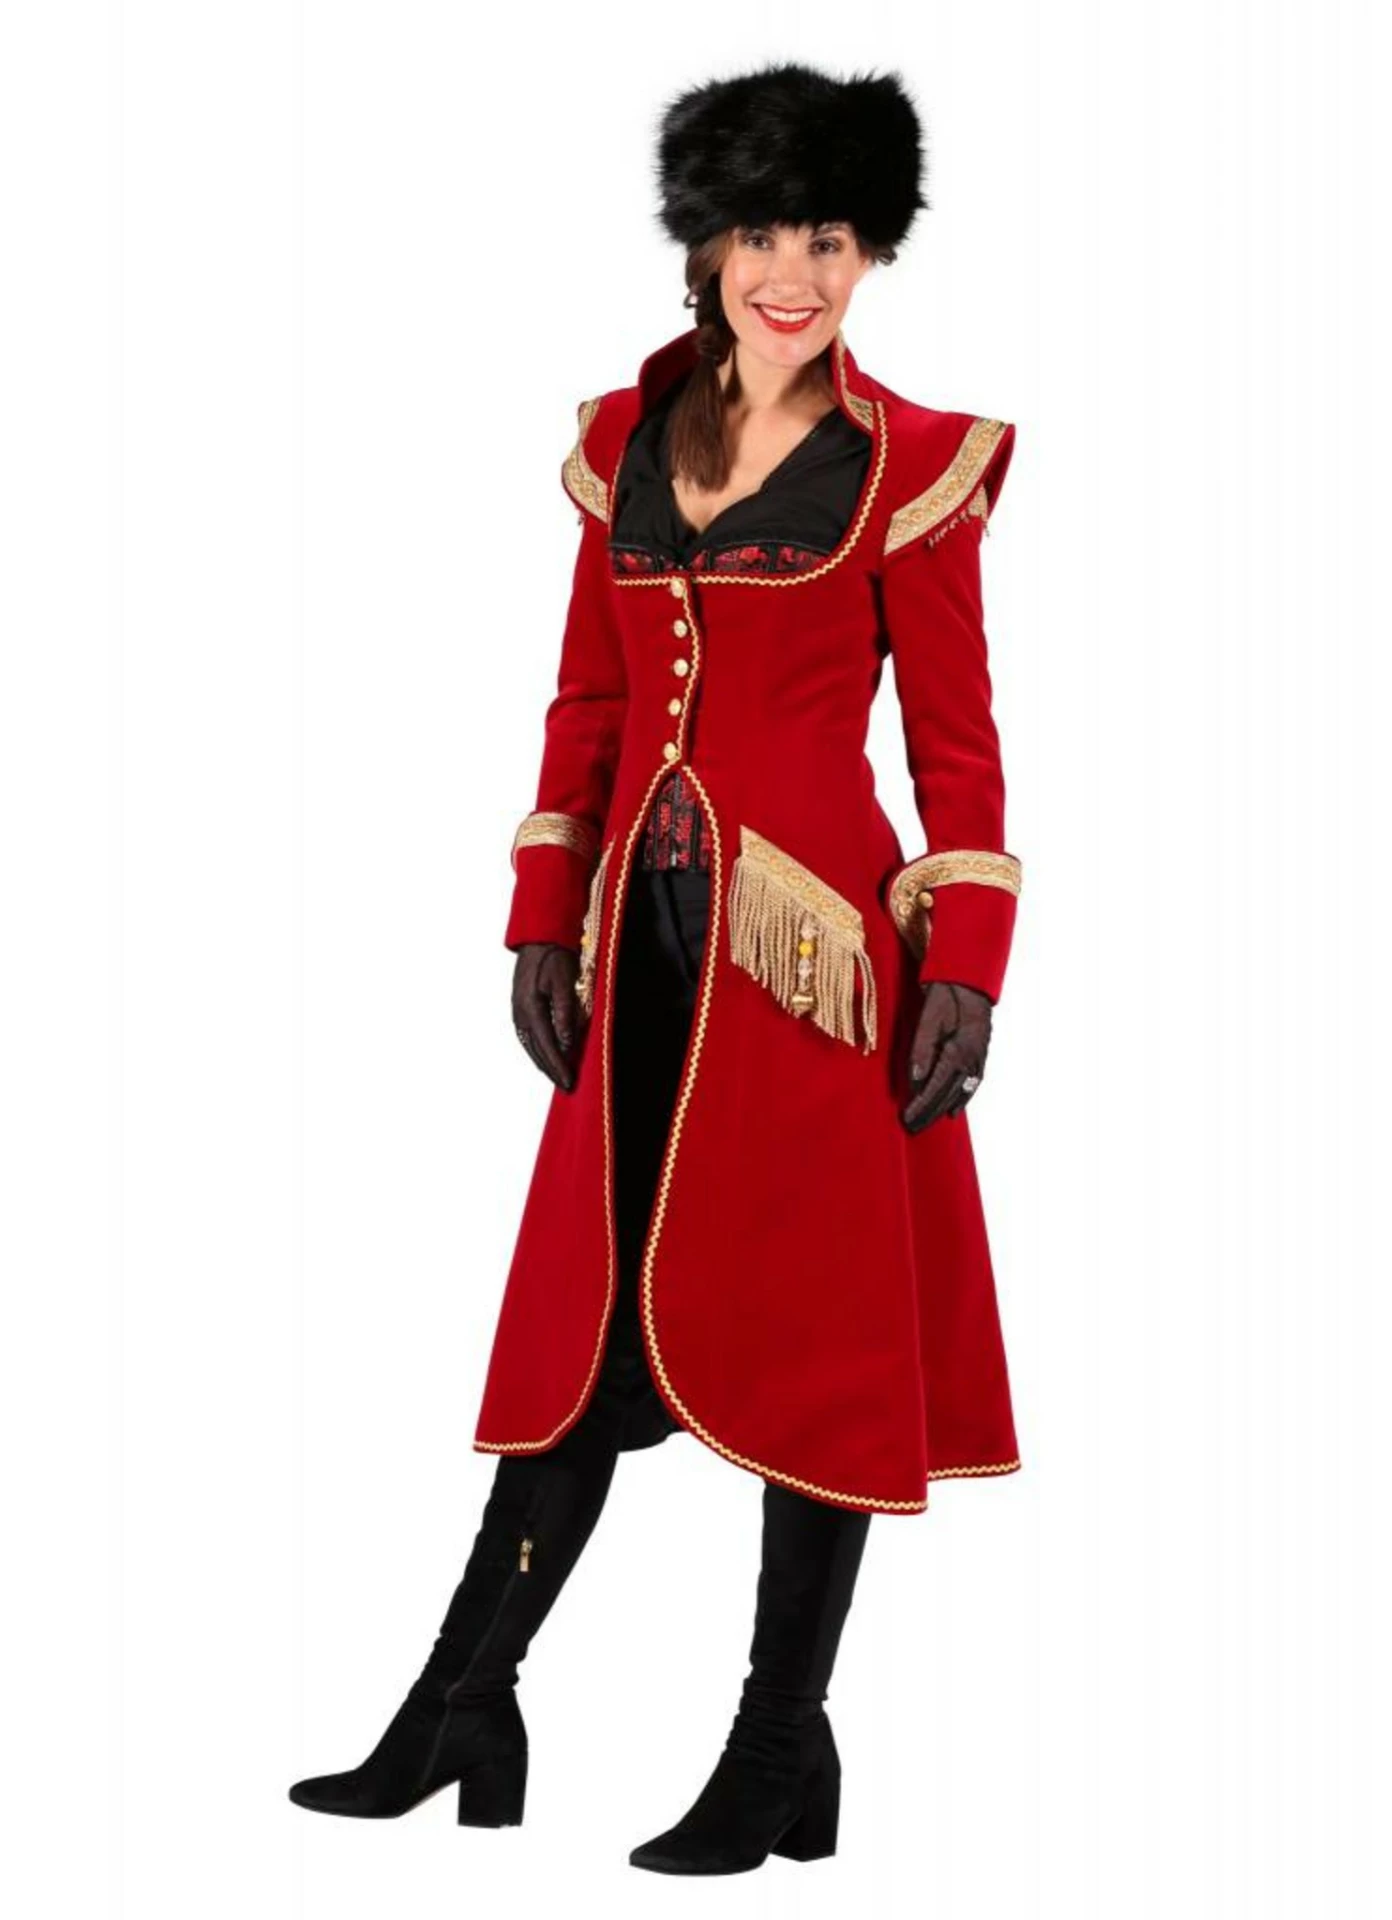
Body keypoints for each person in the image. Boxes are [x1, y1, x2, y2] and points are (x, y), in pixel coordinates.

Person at [290, 59, 1026, 1874]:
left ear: (872, 256)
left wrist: (968, 964)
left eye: (831, 239)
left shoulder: (914, 464)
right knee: (587, 1329)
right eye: (763, 233)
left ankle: (777, 1747)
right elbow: (590, 703)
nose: (795, 273)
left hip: (816, 969)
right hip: (641, 958)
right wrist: (541, 917)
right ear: (703, 245)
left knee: (819, 1344)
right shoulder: (623, 439)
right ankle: (461, 1701)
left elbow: (959, 747)